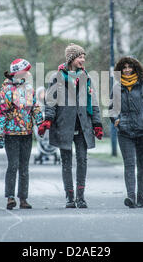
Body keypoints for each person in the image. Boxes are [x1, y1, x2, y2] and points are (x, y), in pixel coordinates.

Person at [39, 43, 103, 209]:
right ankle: (69, 197)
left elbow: (93, 102)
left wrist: (97, 123)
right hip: (64, 125)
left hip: (83, 125)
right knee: (66, 162)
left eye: (84, 57)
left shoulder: (86, 78)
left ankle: (81, 197)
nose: (83, 60)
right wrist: (48, 120)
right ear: (71, 59)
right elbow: (51, 102)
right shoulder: (56, 77)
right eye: (80, 57)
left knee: (82, 160)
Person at [0, 59, 43, 210]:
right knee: (13, 165)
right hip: (11, 133)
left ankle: (23, 198)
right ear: (18, 73)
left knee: (24, 166)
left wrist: (40, 123)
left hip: (26, 132)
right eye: (26, 70)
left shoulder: (29, 89)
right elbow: (1, 113)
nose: (29, 73)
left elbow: (35, 107)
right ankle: (10, 197)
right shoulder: (6, 90)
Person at [111, 56, 143, 208]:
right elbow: (112, 109)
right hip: (124, 132)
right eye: (124, 68)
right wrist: (116, 121)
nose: (127, 70)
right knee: (129, 164)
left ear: (135, 68)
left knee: (142, 164)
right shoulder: (117, 87)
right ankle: (131, 197)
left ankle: (141, 197)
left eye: (129, 67)